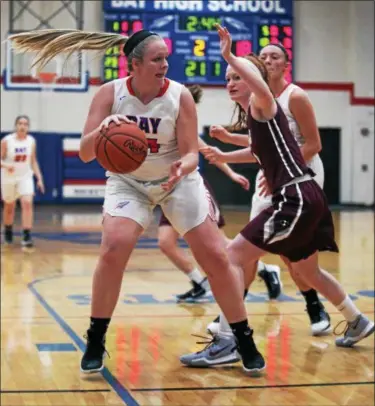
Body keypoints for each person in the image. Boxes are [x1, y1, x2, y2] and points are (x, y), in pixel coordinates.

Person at [9, 28, 266, 375]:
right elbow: (86, 153)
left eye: (166, 58)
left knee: (217, 257)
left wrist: (183, 166)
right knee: (114, 246)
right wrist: (104, 130)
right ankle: (96, 339)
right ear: (134, 64)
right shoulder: (109, 94)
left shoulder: (179, 96)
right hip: (129, 182)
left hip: (178, 181)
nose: (165, 64)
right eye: (157, 59)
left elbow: (192, 153)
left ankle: (242, 338)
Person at [180, 24, 374, 368]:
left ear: (252, 77)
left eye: (235, 77)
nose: (230, 82)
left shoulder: (263, 101)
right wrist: (225, 156)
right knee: (308, 270)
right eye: (226, 78)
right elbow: (260, 150)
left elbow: (262, 94)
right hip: (306, 195)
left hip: (294, 197)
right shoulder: (257, 116)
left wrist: (229, 55)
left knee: (233, 256)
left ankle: (227, 341)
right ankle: (356, 319)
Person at [206, 43, 330, 337]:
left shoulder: (294, 96)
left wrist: (281, 171)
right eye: (262, 57)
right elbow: (261, 145)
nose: (267, 60)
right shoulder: (254, 99)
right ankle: (232, 314)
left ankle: (314, 305)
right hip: (272, 172)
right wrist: (228, 140)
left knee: (291, 248)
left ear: (286, 64)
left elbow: (313, 144)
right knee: (247, 247)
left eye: (275, 56)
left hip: (302, 174)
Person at [158, 84, 250, 303]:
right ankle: (199, 283)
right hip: (167, 192)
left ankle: (264, 269)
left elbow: (209, 153)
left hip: (191, 189)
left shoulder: (184, 127)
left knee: (219, 246)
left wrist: (232, 174)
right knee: (165, 242)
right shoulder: (157, 122)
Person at [1, 115, 45, 249]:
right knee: (9, 207)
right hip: (8, 178)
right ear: (16, 126)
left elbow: (33, 161)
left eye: (25, 124)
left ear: (28, 127)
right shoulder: (7, 141)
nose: (22, 126)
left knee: (27, 202)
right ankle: (8, 231)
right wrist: (6, 166)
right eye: (20, 123)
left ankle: (26, 235)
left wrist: (39, 178)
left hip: (25, 176)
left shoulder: (31, 141)